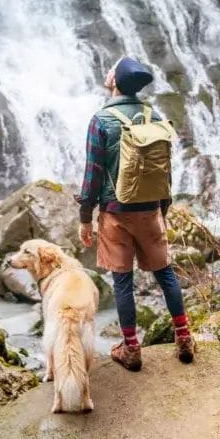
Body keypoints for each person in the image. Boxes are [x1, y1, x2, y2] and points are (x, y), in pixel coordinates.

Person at [75, 56, 195, 371]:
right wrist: (162, 212)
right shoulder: (153, 115)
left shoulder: (100, 121)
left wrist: (85, 218)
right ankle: (184, 337)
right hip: (152, 209)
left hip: (116, 213)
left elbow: (92, 176)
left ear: (115, 80)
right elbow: (164, 171)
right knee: (166, 274)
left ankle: (131, 348)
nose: (107, 70)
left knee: (122, 280)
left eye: (111, 68)